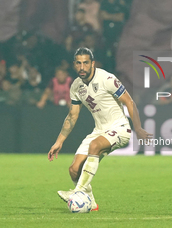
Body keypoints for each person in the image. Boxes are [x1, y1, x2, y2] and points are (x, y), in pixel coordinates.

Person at [47, 47, 152, 211]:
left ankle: (78, 192)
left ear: (92, 63)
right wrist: (59, 141)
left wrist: (137, 127)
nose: (82, 67)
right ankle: (91, 203)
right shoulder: (75, 86)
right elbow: (72, 116)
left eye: (86, 63)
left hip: (120, 128)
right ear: (74, 65)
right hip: (99, 130)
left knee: (94, 146)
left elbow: (129, 102)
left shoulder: (107, 78)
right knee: (74, 170)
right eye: (79, 63)